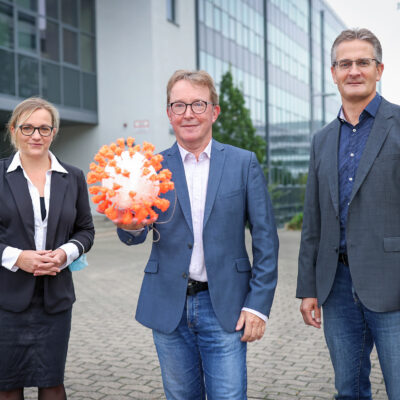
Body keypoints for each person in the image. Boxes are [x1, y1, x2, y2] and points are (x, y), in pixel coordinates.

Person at [116, 70, 278, 399]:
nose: (188, 113)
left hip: (226, 307)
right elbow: (134, 234)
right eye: (179, 105)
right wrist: (129, 224)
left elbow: (265, 239)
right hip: (168, 306)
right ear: (168, 113)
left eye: (198, 104)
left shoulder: (243, 163)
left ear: (214, 111)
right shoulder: (150, 167)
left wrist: (258, 306)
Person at [297, 28, 400, 399]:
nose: (353, 70)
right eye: (345, 63)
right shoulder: (322, 139)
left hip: (393, 284)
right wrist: (308, 288)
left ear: (379, 69)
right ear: (333, 73)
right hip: (336, 287)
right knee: (348, 389)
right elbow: (313, 220)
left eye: (363, 62)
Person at [0, 97, 95, 400]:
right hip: (6, 300)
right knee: (7, 385)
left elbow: (86, 230)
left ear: (54, 132)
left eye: (43, 128)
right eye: (27, 128)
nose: (36, 135)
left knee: (52, 382)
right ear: (13, 130)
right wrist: (18, 258)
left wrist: (66, 253)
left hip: (55, 301)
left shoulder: (74, 177)